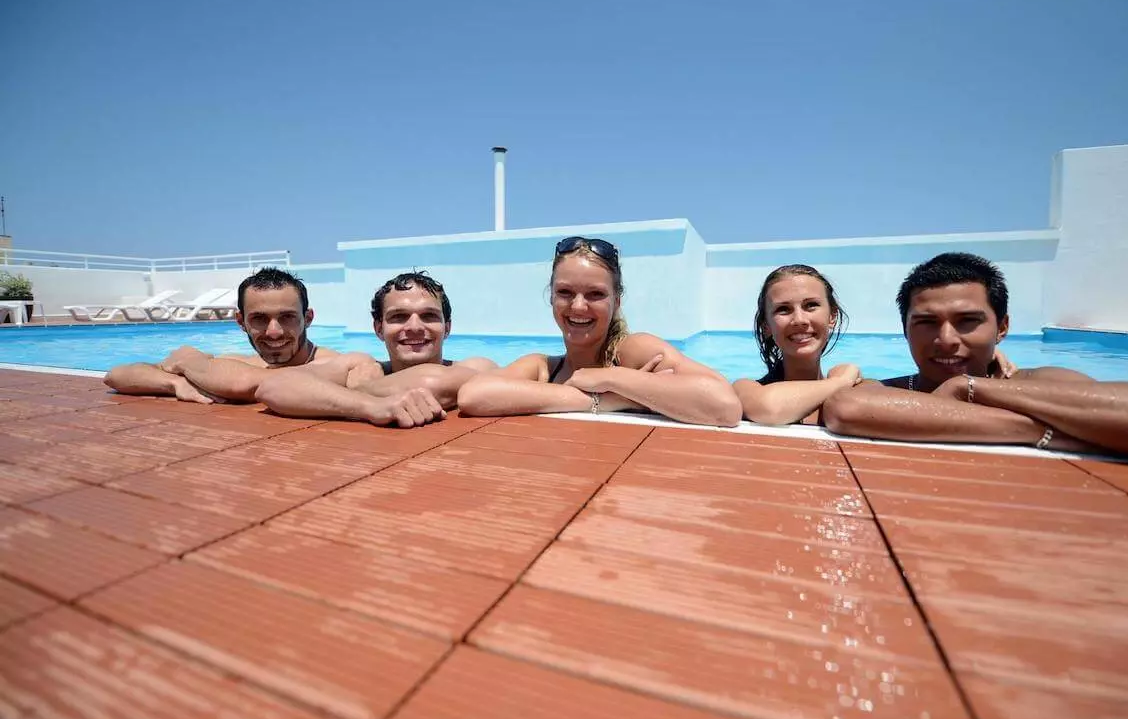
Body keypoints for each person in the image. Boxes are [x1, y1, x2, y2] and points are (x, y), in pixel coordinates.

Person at [822, 252, 1128, 464]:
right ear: (905, 330)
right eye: (926, 322)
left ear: (1002, 328)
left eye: (968, 321)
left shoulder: (1037, 384)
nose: (946, 339)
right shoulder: (889, 390)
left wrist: (971, 388)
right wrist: (1040, 431)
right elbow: (846, 407)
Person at [458, 236, 742, 427]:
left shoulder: (632, 352)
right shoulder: (543, 368)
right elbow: (473, 395)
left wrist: (612, 376)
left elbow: (726, 405)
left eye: (595, 294)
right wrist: (605, 401)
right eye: (565, 292)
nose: (578, 307)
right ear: (551, 297)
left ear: (616, 301)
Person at [255, 271, 495, 427]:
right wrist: (370, 406)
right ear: (379, 329)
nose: (414, 327)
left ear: (447, 327)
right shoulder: (365, 368)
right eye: (399, 317)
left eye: (428, 316)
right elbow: (272, 387)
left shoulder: (476, 369)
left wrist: (362, 389)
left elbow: (434, 381)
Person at [104, 267, 373, 404]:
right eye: (259, 319)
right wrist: (174, 385)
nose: (274, 331)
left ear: (308, 319)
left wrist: (192, 364)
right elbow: (117, 375)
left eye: (287, 317)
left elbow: (259, 384)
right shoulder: (232, 362)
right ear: (240, 322)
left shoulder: (337, 365)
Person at [734, 264, 863, 425]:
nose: (799, 320)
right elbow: (769, 409)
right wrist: (840, 383)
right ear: (766, 326)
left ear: (832, 316)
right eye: (783, 309)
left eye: (811, 305)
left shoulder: (857, 388)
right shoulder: (746, 389)